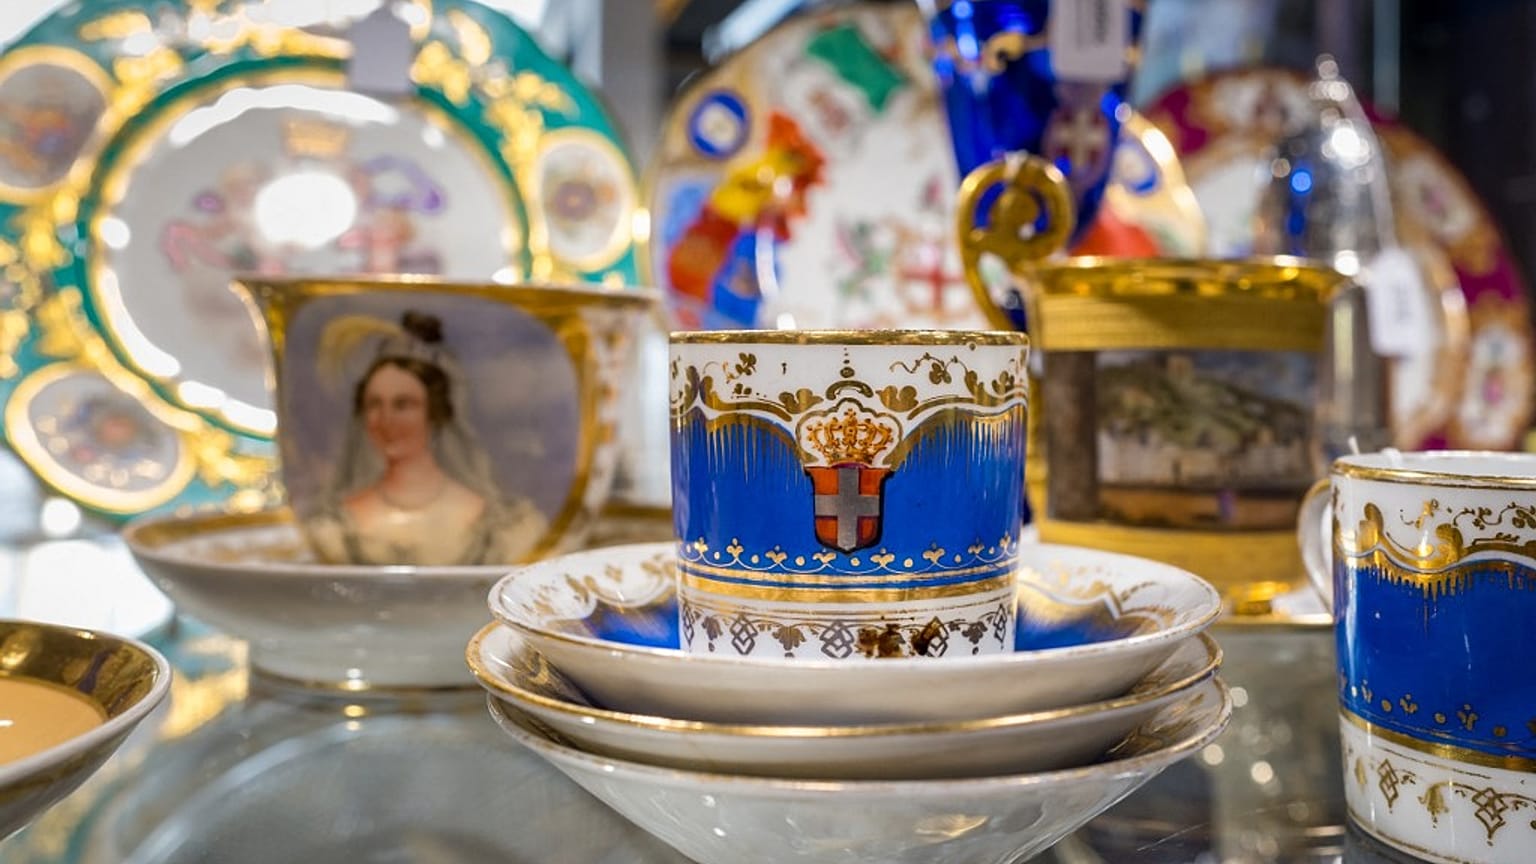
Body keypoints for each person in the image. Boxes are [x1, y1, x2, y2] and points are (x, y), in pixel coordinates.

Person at [306, 311, 546, 566]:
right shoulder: (335, 522)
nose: (386, 420)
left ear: (434, 414)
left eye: (403, 405)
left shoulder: (500, 523)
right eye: (374, 404)